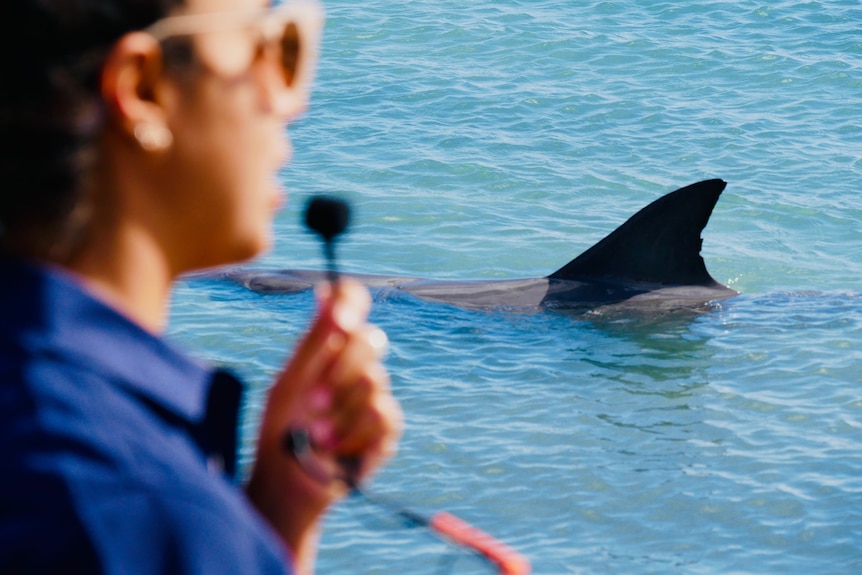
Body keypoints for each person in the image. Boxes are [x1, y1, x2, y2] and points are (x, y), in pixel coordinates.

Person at [0, 1, 402, 574]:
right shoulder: (137, 508)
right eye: (273, 46)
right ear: (143, 87)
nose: (293, 100)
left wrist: (275, 515)